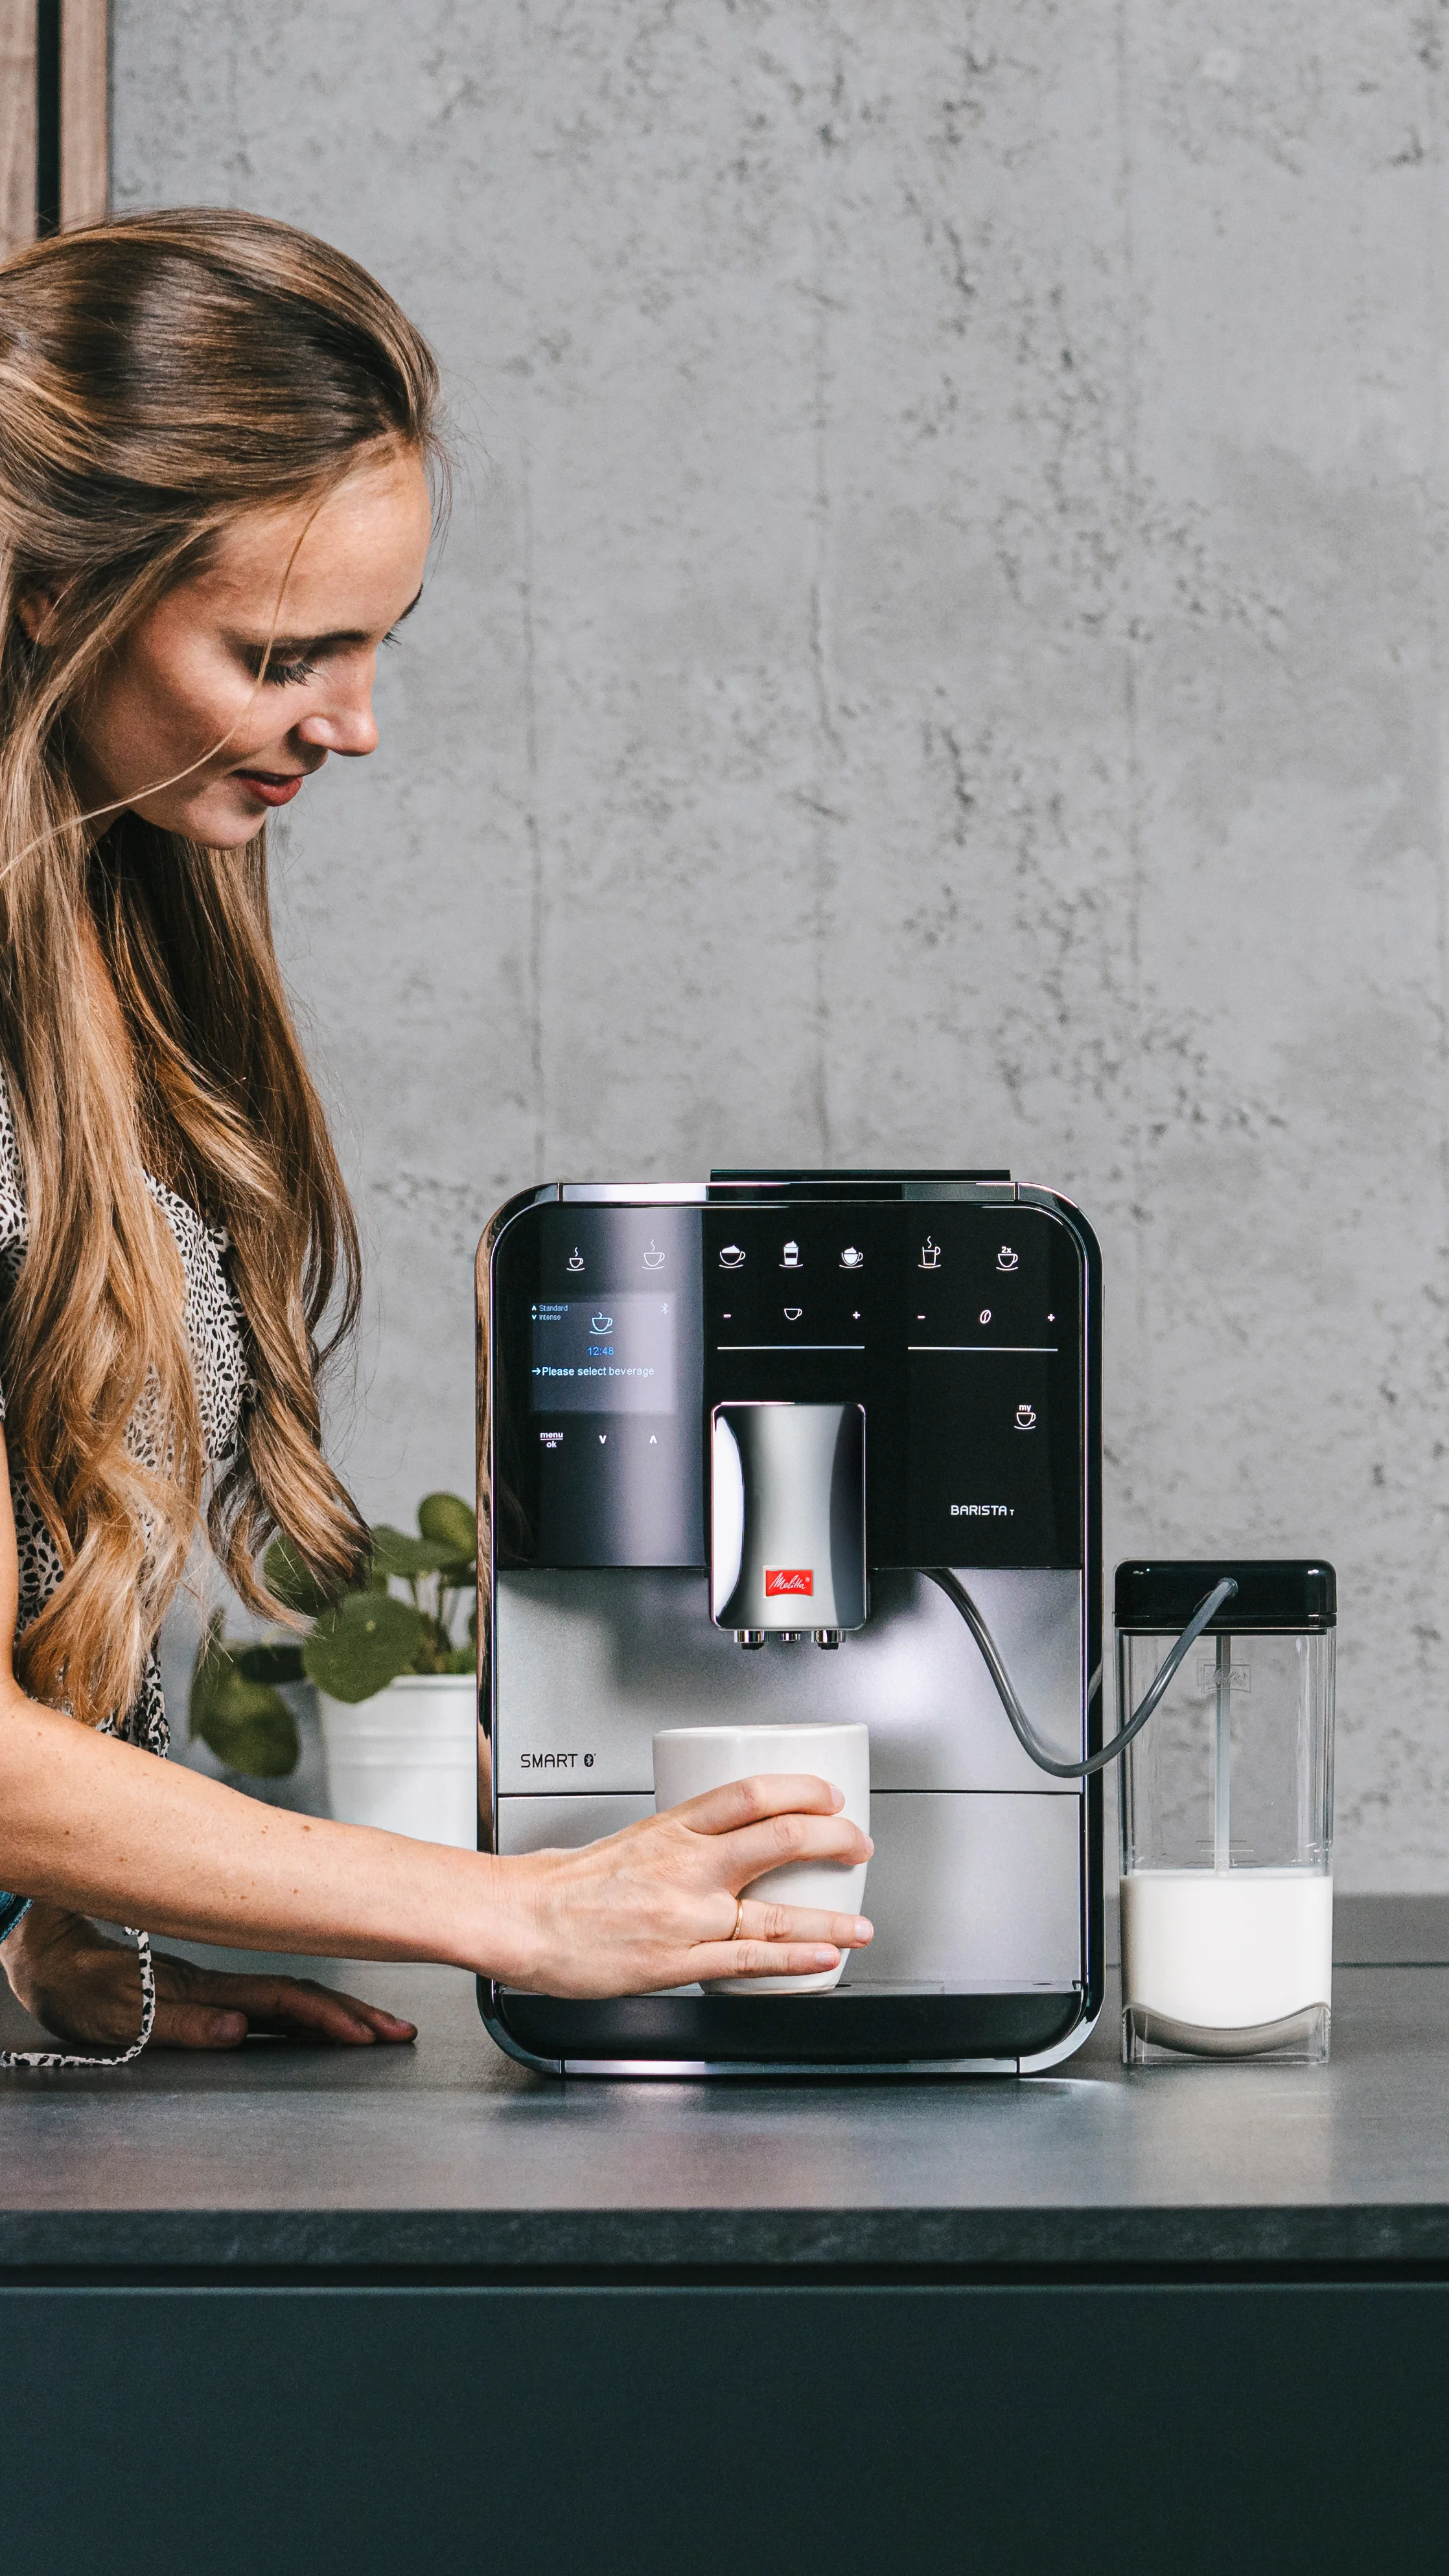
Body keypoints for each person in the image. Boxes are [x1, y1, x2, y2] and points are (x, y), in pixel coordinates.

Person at [0, 209, 872, 2060]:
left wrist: (74, 1934)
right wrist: (521, 1911)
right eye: (281, 653)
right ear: (54, 595)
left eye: (376, 646)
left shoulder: (102, 950)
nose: (356, 723)